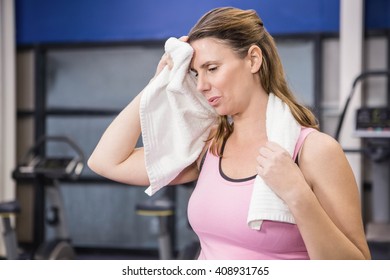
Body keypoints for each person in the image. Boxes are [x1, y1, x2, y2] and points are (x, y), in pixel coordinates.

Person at [88, 7, 371, 260]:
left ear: (253, 60)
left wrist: (297, 194)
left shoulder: (314, 151)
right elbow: (106, 162)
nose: (201, 86)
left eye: (212, 68)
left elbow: (356, 268)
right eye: (196, 74)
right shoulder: (210, 147)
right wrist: (156, 85)